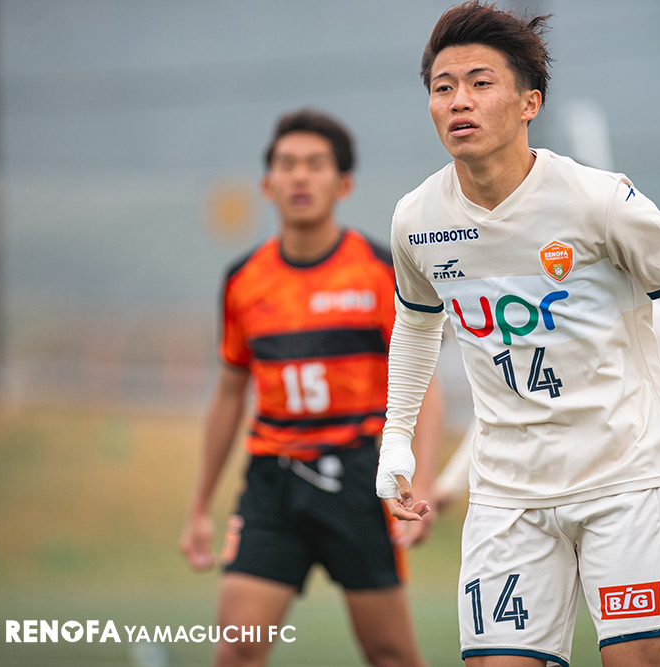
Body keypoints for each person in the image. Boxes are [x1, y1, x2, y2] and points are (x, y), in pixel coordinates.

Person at [374, 3, 660, 667]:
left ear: (529, 103)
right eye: (443, 87)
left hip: (621, 484)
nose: (458, 101)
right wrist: (396, 441)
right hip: (506, 499)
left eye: (480, 83)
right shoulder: (416, 219)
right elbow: (417, 326)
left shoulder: (598, 200)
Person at [179, 108, 442, 667]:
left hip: (357, 481)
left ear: (343, 184)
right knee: (237, 651)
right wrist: (199, 504)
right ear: (267, 184)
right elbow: (229, 392)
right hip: (273, 484)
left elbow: (425, 383)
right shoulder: (243, 280)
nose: (300, 176)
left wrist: (423, 480)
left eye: (315, 164)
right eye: (287, 164)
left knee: (390, 654)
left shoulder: (380, 271)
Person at [433, 299, 660, 667]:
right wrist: (449, 486)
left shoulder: (647, 302)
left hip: (625, 498)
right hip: (532, 507)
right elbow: (505, 412)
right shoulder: (523, 302)